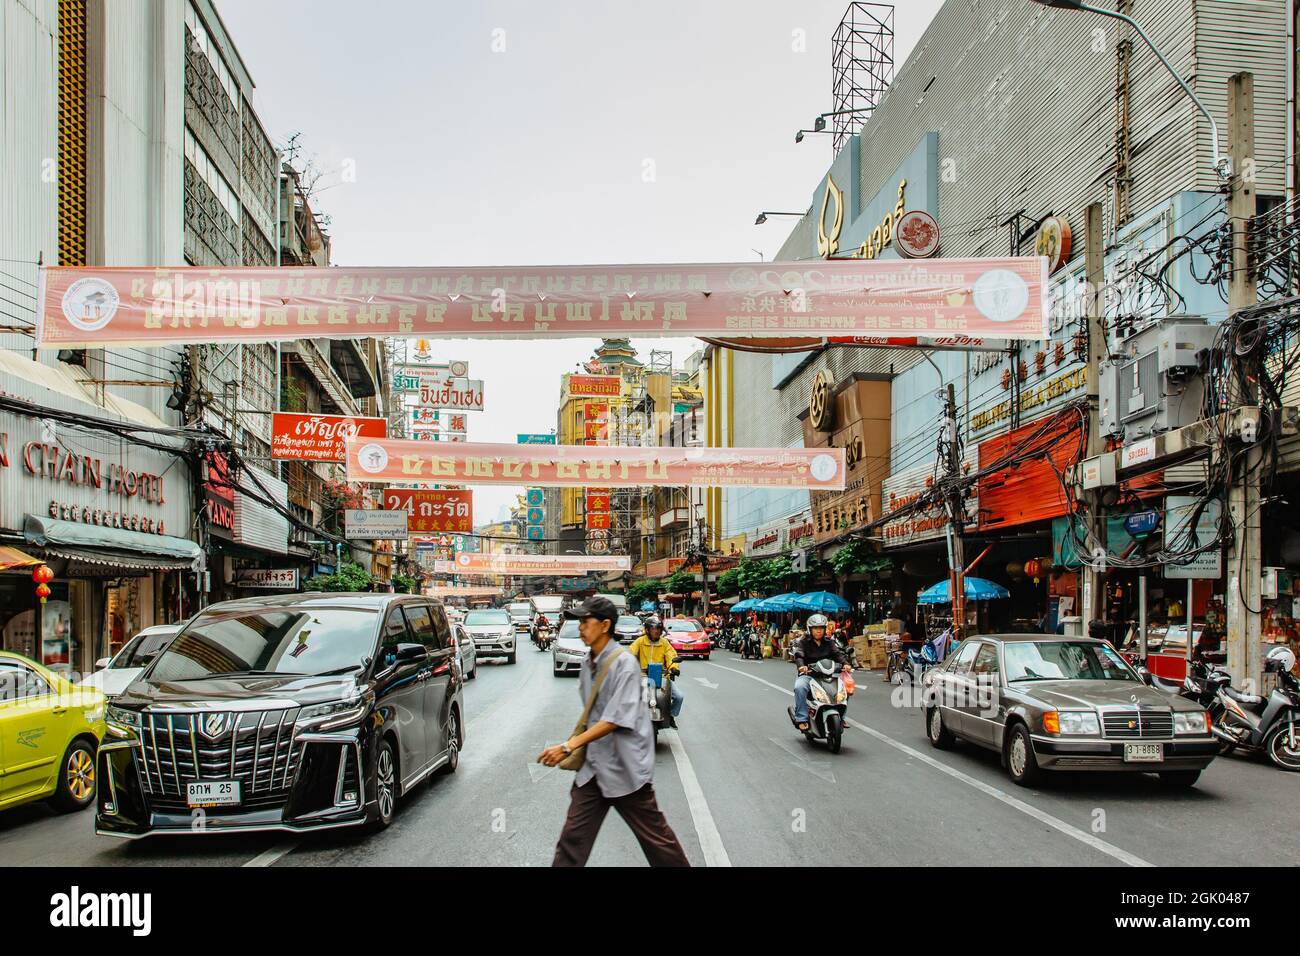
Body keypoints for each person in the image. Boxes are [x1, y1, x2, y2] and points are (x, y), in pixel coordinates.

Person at [538, 596, 689, 867]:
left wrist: (568, 746)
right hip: (594, 770)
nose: (581, 627)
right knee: (572, 840)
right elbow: (594, 715)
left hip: (626, 769)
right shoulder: (587, 663)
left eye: (586, 622)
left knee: (659, 845)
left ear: (605, 625)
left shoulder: (624, 664)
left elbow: (615, 719)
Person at [791, 613, 850, 733]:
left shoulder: (829, 642)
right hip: (809, 676)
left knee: (845, 688)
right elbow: (799, 655)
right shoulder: (804, 642)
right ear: (810, 629)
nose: (818, 631)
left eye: (821, 628)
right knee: (799, 687)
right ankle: (802, 718)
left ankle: (841, 717)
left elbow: (837, 654)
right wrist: (802, 667)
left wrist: (845, 664)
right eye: (815, 628)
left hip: (827, 676)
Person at [628, 614, 683, 718]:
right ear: (647, 630)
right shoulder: (640, 641)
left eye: (659, 628)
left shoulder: (664, 643)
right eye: (653, 628)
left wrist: (674, 667)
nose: (657, 631)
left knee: (679, 697)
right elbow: (631, 653)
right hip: (643, 677)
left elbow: (672, 655)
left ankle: (670, 716)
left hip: (662, 677)